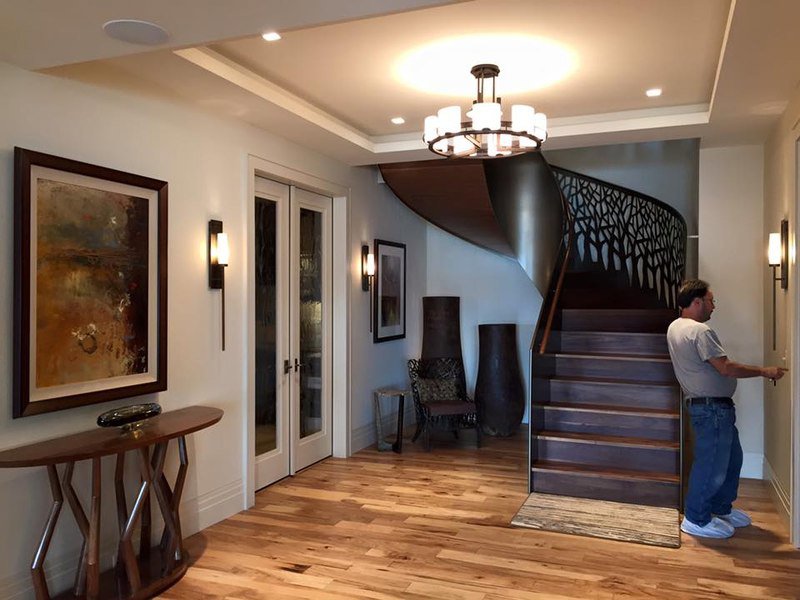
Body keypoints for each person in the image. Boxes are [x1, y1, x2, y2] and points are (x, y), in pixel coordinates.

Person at [666, 279, 787, 539]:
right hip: (711, 410)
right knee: (713, 466)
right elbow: (726, 368)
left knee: (732, 461)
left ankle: (720, 508)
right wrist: (765, 371)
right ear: (696, 302)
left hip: (713, 409)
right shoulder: (699, 332)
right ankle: (696, 518)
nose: (714, 306)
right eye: (711, 301)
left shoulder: (675, 327)